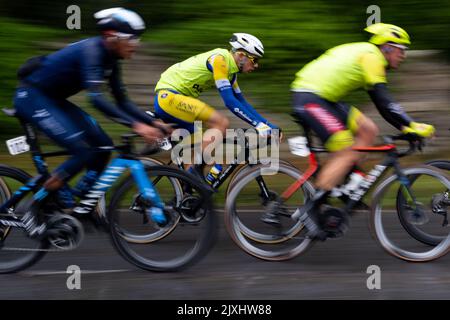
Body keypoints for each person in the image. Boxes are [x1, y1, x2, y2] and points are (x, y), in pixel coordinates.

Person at [13, 8, 171, 219]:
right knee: (82, 151)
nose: (137, 44)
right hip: (31, 97)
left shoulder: (111, 60)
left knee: (103, 146)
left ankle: (79, 201)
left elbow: (122, 101)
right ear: (112, 36)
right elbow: (95, 99)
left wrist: (154, 124)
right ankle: (35, 207)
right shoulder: (92, 52)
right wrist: (137, 126)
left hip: (53, 100)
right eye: (132, 38)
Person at [289, 23, 435, 239]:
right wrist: (412, 125)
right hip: (309, 97)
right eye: (401, 49)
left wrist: (405, 128)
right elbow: (385, 100)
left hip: (324, 98)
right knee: (347, 149)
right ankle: (311, 208)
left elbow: (380, 104)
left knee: (368, 129)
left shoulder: (370, 58)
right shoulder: (371, 56)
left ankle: (346, 186)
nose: (403, 55)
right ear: (387, 47)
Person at [153, 33, 281, 177]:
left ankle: (187, 191)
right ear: (240, 55)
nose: (256, 65)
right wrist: (258, 125)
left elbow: (241, 101)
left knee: (199, 155)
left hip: (176, 103)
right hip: (170, 97)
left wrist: (267, 124)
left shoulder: (231, 73)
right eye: (254, 60)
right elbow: (229, 101)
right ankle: (195, 173)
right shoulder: (220, 60)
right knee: (221, 122)